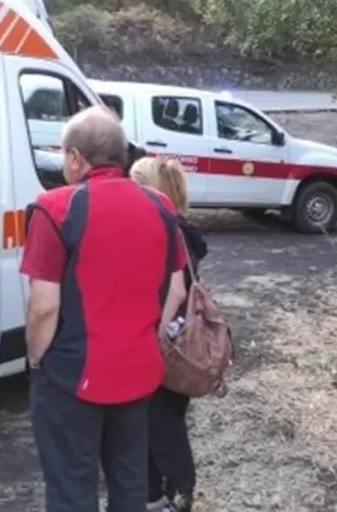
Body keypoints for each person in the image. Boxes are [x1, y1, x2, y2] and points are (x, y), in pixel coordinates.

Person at [21, 107, 188, 512]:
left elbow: (44, 307)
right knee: (129, 483)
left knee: (71, 489)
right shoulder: (161, 206)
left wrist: (36, 359)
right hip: (137, 372)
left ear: (76, 158)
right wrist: (149, 337)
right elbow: (178, 289)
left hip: (72, 378)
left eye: (63, 155)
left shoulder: (55, 209)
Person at [130, 157, 208, 512]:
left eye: (135, 183)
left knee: (162, 420)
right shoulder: (177, 227)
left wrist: (157, 338)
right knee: (157, 419)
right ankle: (153, 492)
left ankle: (179, 494)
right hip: (179, 338)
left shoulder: (167, 230)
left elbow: (176, 291)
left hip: (169, 340)